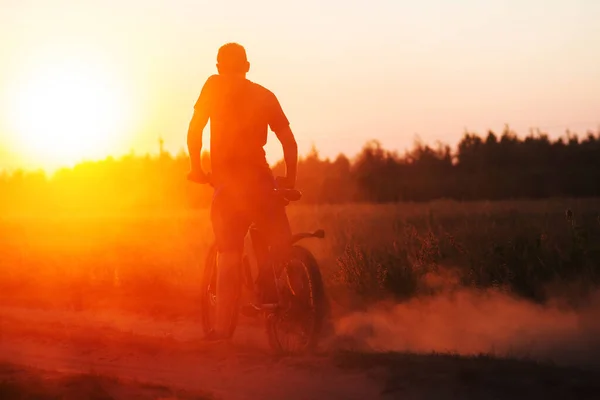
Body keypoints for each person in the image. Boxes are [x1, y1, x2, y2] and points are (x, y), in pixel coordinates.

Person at [186, 42, 298, 341]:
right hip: (262, 180)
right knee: (278, 243)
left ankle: (222, 330)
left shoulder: (213, 86)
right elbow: (289, 142)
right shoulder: (264, 95)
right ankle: (291, 305)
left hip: (229, 186)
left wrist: (196, 168)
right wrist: (291, 180)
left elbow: (195, 130)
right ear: (247, 67)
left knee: (229, 253)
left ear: (219, 67)